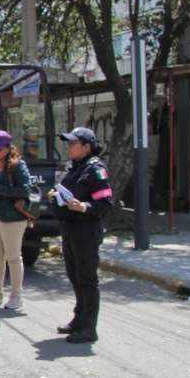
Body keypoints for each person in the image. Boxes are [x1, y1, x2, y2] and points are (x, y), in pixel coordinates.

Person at [50, 127, 112, 343]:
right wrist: (55, 196)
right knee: (75, 276)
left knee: (87, 279)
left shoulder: (95, 170)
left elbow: (105, 204)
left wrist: (83, 206)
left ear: (86, 147)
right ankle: (79, 319)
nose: (68, 147)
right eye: (68, 143)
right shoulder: (75, 167)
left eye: (73, 143)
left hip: (86, 231)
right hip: (71, 229)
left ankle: (88, 328)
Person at [0, 130, 32, 312]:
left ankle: (16, 296)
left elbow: (26, 190)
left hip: (12, 219)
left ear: (7, 148)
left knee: (13, 257)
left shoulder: (17, 165)